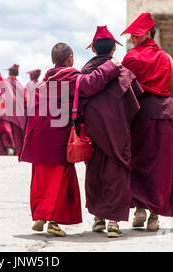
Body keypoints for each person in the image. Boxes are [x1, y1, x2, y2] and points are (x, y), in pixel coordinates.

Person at [19, 42, 121, 237]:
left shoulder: (45, 81)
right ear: (71, 59)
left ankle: (40, 215)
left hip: (38, 136)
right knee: (59, 178)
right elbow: (92, 83)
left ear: (52, 61)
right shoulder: (70, 77)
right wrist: (111, 66)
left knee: (41, 177)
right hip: (57, 136)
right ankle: (53, 222)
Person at [121, 13, 173, 231]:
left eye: (135, 34)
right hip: (165, 117)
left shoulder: (132, 57)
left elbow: (122, 88)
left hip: (139, 117)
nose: (131, 38)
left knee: (138, 161)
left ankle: (139, 209)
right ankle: (154, 216)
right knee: (160, 165)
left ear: (148, 33)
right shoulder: (168, 59)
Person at [81, 26, 144, 237]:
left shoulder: (84, 73)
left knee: (95, 173)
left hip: (92, 134)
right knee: (116, 175)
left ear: (93, 50)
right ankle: (113, 223)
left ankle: (98, 219)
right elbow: (136, 103)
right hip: (117, 133)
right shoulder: (123, 72)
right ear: (112, 51)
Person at [0, 64, 27, 155]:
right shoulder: (20, 85)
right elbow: (26, 99)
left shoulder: (3, 82)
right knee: (17, 131)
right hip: (18, 111)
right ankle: (18, 149)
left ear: (9, 72)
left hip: (6, 108)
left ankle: (9, 146)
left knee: (6, 129)